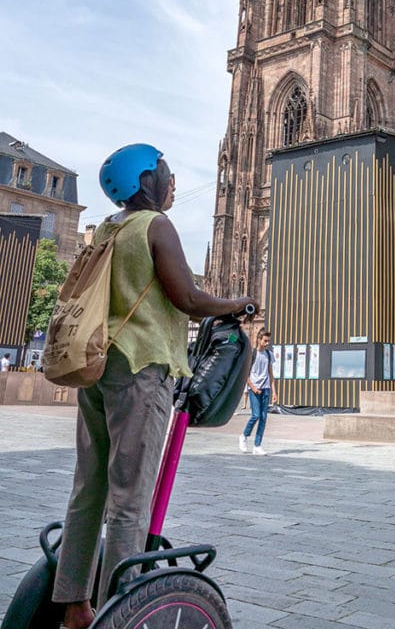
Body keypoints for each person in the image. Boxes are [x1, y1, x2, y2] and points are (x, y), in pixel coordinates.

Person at [53, 144, 257, 629]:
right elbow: (186, 296)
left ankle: (74, 604)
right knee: (130, 493)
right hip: (141, 369)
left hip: (99, 366)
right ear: (146, 181)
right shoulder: (154, 226)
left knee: (89, 488)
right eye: (165, 173)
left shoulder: (108, 227)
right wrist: (237, 302)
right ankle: (117, 606)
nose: (171, 181)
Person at [239, 328, 277, 455]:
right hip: (254, 389)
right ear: (259, 340)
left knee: (264, 417)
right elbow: (245, 374)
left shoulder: (269, 355)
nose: (267, 343)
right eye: (265, 341)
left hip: (265, 388)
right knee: (256, 415)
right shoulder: (252, 354)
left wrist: (274, 392)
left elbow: (271, 375)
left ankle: (257, 445)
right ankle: (244, 436)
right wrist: (253, 387)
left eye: (268, 341)